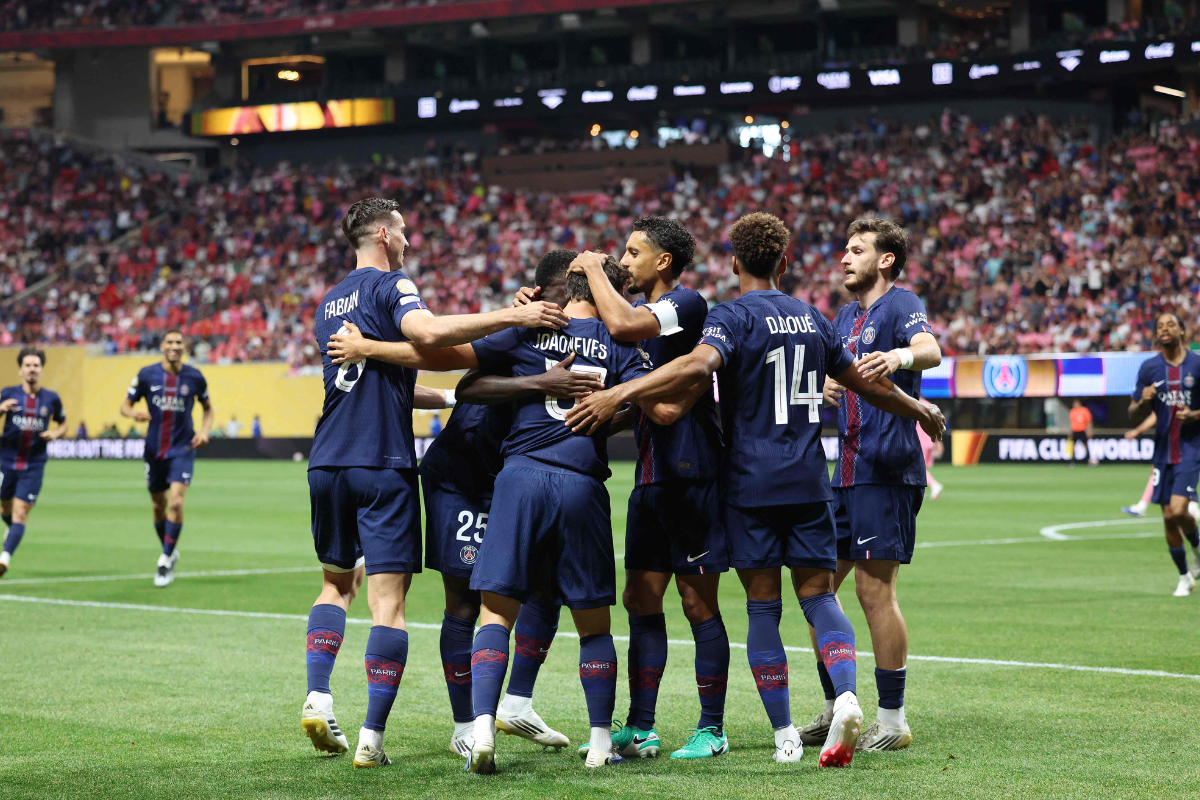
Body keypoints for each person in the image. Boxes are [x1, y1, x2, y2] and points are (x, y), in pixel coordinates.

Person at [564, 212, 945, 768]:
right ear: (785, 263)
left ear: (736, 263)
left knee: (762, 609)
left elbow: (697, 365)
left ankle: (785, 735)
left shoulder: (729, 317)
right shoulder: (816, 318)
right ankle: (844, 696)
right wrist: (917, 407)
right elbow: (868, 384)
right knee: (819, 598)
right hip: (812, 480)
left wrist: (621, 389)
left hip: (747, 482)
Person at [328, 254, 688, 773]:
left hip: (518, 476)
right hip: (580, 482)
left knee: (494, 612)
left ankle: (481, 729)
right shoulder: (620, 340)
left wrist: (367, 347)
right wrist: (611, 408)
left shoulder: (529, 325)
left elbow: (462, 376)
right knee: (593, 624)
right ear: (605, 290)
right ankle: (601, 741)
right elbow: (652, 403)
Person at [298, 197, 569, 769]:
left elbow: (376, 377)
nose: (407, 242)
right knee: (388, 606)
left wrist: (447, 397)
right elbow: (429, 336)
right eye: (401, 232)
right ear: (382, 233)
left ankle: (318, 694)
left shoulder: (329, 302)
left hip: (327, 459)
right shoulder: (391, 286)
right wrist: (511, 315)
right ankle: (371, 738)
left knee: (334, 585)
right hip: (381, 461)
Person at [557, 217, 731, 761]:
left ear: (662, 261)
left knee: (696, 602)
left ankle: (713, 728)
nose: (623, 261)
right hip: (653, 478)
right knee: (640, 597)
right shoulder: (652, 328)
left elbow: (630, 332)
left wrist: (590, 267)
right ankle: (642, 724)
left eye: (633, 253)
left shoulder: (688, 303)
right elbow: (649, 403)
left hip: (694, 473)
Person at [417, 250, 599, 758]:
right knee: (467, 601)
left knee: (547, 588)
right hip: (466, 478)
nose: (579, 305)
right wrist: (541, 381)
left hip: (520, 484)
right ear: (541, 294)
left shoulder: (584, 332)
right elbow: (469, 388)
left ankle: (516, 702)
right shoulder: (520, 326)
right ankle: (464, 724)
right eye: (571, 293)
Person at [806, 218, 942, 753]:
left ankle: (892, 719)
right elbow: (830, 373)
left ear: (885, 260)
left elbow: (929, 349)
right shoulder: (841, 316)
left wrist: (900, 356)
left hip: (885, 467)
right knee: (818, 590)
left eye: (857, 249)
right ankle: (837, 702)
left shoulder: (901, 302)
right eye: (845, 248)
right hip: (844, 471)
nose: (844, 257)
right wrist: (824, 385)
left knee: (872, 590)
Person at [120, 331, 214, 588]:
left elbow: (208, 408)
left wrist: (204, 431)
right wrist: (133, 414)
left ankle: (164, 560)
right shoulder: (146, 374)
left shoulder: (194, 377)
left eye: (179, 343)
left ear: (185, 347)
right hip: (154, 450)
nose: (174, 346)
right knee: (158, 507)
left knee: (176, 502)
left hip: (183, 448)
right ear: (162, 346)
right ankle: (170, 549)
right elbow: (124, 406)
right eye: (170, 342)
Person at [1129, 312, 1200, 596]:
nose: (1165, 329)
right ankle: (1184, 576)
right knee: (1169, 518)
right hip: (1162, 451)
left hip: (1190, 447)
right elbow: (1132, 412)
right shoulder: (1149, 368)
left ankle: (1196, 548)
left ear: (1182, 332)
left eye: (1171, 324)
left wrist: (1195, 414)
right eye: (1160, 326)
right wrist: (1141, 401)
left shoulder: (1197, 363)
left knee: (1180, 508)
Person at [0, 348, 67, 578]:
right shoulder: (8, 393)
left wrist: (56, 434)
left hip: (34, 465)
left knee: (21, 512)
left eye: (36, 365)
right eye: (27, 365)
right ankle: (12, 531)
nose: (32, 369)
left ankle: (4, 558)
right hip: (6, 462)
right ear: (20, 369)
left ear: (41, 369)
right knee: (5, 508)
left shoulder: (51, 398)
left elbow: (63, 423)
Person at [916, 400, 944, 501]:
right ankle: (932, 486)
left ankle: (934, 485)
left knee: (919, 467)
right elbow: (937, 425)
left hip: (920, 441)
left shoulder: (912, 403)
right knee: (923, 468)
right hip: (930, 441)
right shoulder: (930, 405)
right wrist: (938, 442)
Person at [1068, 399, 1097, 466]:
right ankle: (1072, 461)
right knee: (1072, 446)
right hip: (1075, 431)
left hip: (1082, 431)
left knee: (1085, 446)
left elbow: (1089, 421)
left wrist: (1089, 431)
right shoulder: (1072, 411)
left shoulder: (1084, 410)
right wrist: (1070, 432)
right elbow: (1072, 423)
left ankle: (1088, 460)